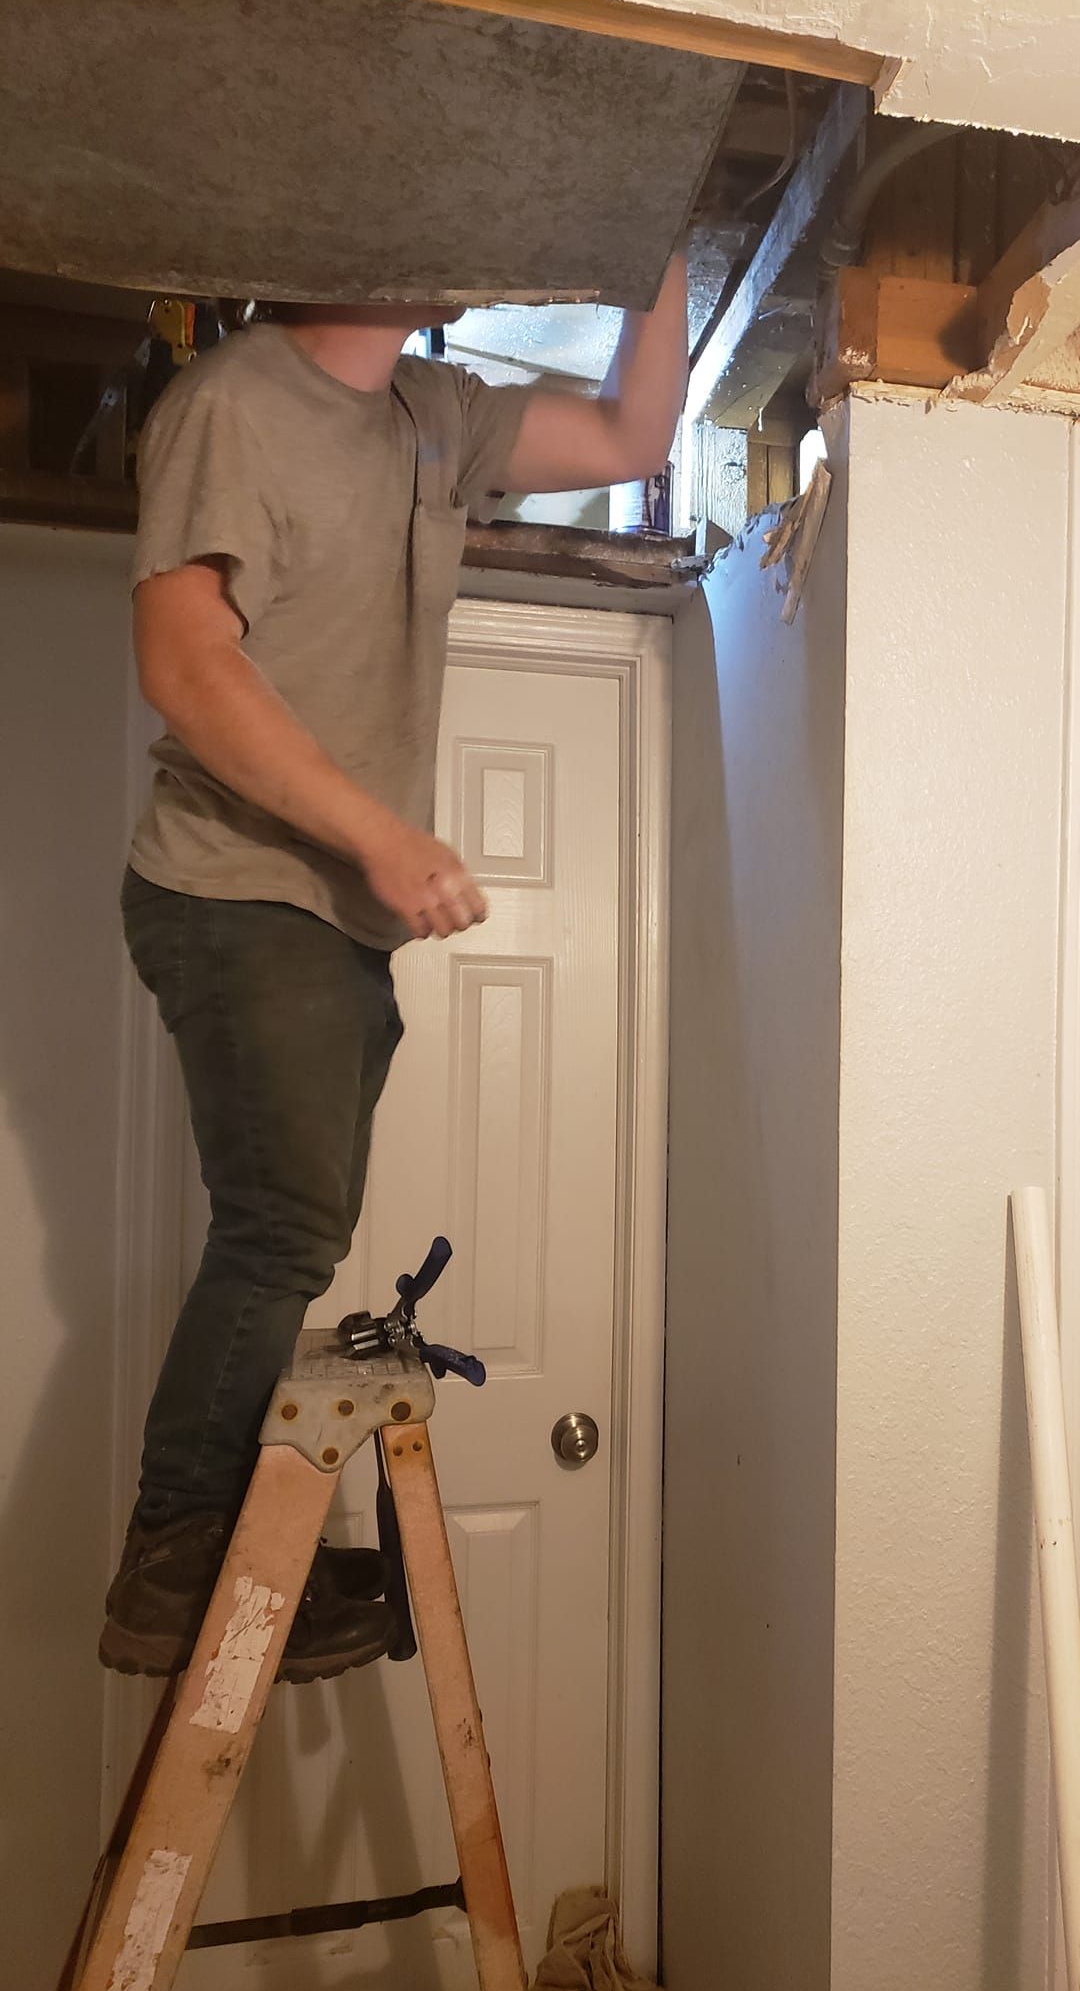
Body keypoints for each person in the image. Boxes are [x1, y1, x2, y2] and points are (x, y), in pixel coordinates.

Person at [99, 266, 688, 1682]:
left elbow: (632, 440)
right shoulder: (231, 402)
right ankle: (176, 1568)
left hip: (330, 917)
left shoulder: (436, 413)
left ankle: (240, 1547)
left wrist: (656, 249)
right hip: (238, 891)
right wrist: (380, 835)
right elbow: (183, 660)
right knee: (283, 1233)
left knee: (292, 1231)